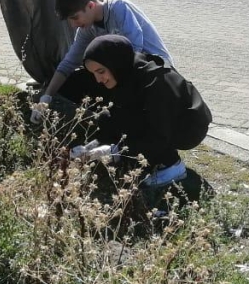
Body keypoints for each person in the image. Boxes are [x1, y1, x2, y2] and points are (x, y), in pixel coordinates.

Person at [81, 34, 212, 190]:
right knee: (106, 117)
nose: (98, 79)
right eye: (94, 73)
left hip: (188, 127)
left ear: (114, 63)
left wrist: (116, 151)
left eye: (101, 71)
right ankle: (135, 156)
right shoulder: (126, 72)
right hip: (162, 121)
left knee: (135, 125)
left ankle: (172, 165)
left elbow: (158, 133)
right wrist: (95, 145)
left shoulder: (155, 82)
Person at [34, 0, 171, 110]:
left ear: (91, 6)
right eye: (70, 20)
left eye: (75, 17)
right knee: (73, 82)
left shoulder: (118, 7)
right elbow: (69, 63)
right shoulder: (86, 29)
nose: (73, 25)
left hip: (156, 71)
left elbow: (134, 51)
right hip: (124, 72)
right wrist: (47, 97)